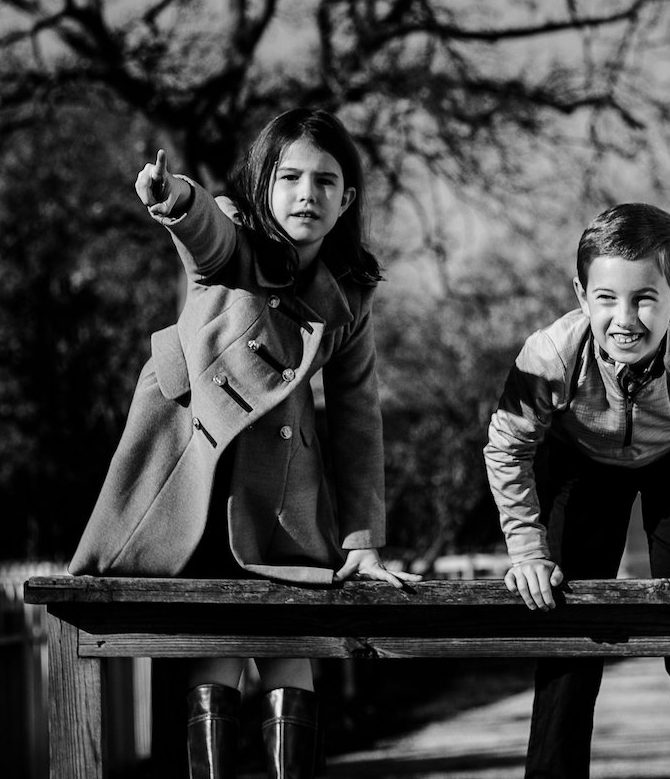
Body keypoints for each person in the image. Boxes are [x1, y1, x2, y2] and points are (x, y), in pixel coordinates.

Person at [69, 108, 418, 779]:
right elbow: (206, 233)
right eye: (289, 177)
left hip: (281, 481)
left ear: (347, 200)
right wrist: (173, 200)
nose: (306, 194)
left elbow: (356, 418)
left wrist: (364, 541)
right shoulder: (236, 248)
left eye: (325, 181)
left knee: (292, 650)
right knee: (219, 649)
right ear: (263, 186)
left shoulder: (350, 294)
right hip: (193, 465)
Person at [484, 203, 670, 779]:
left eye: (645, 297)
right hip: (581, 461)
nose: (625, 317)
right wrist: (527, 551)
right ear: (581, 296)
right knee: (566, 621)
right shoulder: (548, 356)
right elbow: (506, 447)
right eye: (607, 297)